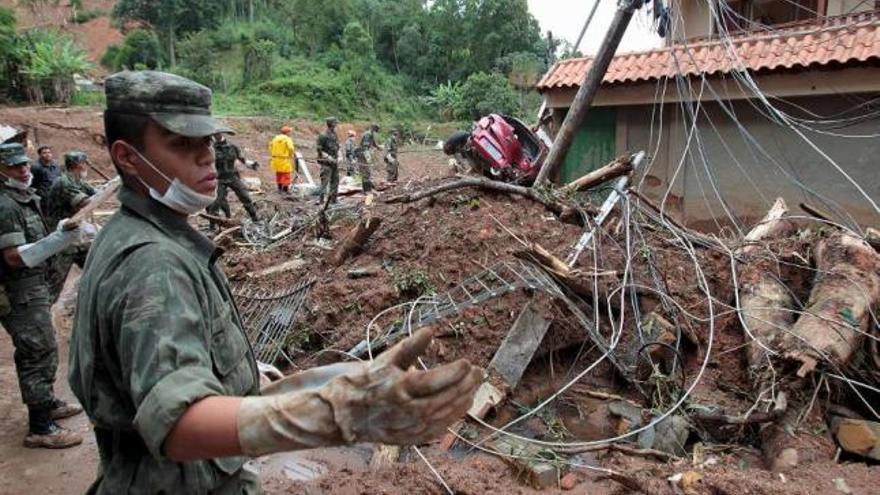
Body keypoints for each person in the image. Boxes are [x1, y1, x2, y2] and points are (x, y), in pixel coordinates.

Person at [67, 70, 481, 494]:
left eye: (206, 141)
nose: (206, 157)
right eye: (181, 145)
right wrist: (333, 415)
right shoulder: (155, 265)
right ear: (128, 157)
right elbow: (178, 423)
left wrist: (319, 383)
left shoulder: (135, 233)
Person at [0, 142, 85, 449]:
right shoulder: (6, 205)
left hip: (33, 285)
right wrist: (57, 241)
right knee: (37, 350)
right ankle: (41, 427)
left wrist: (59, 235)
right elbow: (12, 257)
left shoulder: (24, 198)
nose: (24, 171)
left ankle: (47, 403)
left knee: (43, 347)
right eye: (14, 167)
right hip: (19, 289)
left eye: (24, 165)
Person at [45, 151, 97, 301]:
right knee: (54, 284)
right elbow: (85, 203)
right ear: (78, 165)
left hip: (75, 236)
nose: (87, 166)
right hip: (61, 240)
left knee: (97, 269)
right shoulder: (64, 182)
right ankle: (43, 314)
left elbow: (95, 192)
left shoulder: (77, 180)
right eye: (85, 163)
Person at [206, 135, 259, 228]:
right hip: (219, 179)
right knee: (215, 203)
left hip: (233, 176)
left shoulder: (232, 146)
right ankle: (212, 226)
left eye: (218, 134)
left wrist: (252, 164)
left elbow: (242, 159)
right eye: (215, 134)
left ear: (222, 134)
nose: (217, 136)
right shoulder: (212, 148)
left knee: (245, 197)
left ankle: (256, 220)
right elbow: (207, 163)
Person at [316, 117, 340, 205]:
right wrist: (329, 158)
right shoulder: (323, 135)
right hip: (326, 163)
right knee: (324, 181)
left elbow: (338, 146)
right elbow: (319, 150)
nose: (336, 124)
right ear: (331, 124)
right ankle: (321, 199)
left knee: (335, 181)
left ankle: (333, 199)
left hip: (335, 162)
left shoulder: (335, 134)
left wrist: (339, 156)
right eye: (335, 123)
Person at [31, 145, 61, 210]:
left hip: (58, 195)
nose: (48, 155)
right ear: (40, 155)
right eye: (44, 153)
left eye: (49, 152)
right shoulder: (36, 167)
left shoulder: (55, 164)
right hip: (45, 198)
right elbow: (34, 184)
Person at [269, 126, 296, 193]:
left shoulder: (275, 138)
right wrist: (290, 155)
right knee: (286, 174)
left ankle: (279, 189)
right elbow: (291, 148)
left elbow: (270, 146)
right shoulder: (287, 139)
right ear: (287, 132)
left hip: (276, 159)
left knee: (279, 173)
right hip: (284, 159)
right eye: (289, 131)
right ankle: (285, 189)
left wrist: (273, 154)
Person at [356, 124, 381, 193]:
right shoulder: (368, 134)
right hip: (362, 154)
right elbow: (365, 147)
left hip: (364, 153)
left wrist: (379, 148)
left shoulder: (371, 134)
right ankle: (366, 189)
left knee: (368, 171)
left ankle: (368, 187)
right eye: (377, 129)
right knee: (365, 171)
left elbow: (374, 144)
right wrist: (368, 157)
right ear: (374, 128)